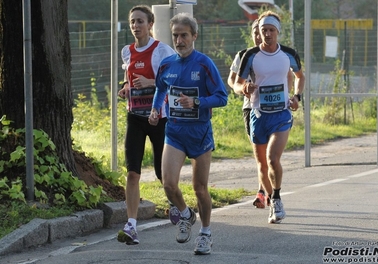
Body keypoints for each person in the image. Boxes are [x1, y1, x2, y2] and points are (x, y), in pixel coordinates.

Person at [149, 13, 228, 255]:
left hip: (200, 134)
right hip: (174, 132)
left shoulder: (204, 64)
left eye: (184, 35)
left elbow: (222, 97)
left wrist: (196, 102)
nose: (179, 40)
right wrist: (155, 109)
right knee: (169, 184)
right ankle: (185, 214)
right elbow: (161, 88)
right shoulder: (167, 64)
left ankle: (205, 233)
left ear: (194, 36)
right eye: (175, 35)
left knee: (200, 188)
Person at [233, 10, 305, 224]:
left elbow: (300, 76)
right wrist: (244, 87)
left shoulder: (288, 54)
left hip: (281, 114)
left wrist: (296, 97)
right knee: (262, 165)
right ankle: (272, 199)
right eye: (264, 30)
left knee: (273, 158)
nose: (267, 34)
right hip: (258, 114)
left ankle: (278, 197)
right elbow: (237, 84)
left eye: (271, 30)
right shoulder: (250, 55)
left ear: (278, 32)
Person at [117, 5, 176, 245]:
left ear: (150, 24)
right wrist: (126, 88)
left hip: (158, 117)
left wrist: (150, 81)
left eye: (140, 21)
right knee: (132, 173)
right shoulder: (126, 52)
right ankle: (131, 225)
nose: (135, 26)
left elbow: (174, 81)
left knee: (164, 174)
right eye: (132, 22)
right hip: (135, 117)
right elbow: (130, 79)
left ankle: (177, 206)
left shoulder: (163, 51)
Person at [227, 19, 293, 209]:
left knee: (271, 157)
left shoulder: (279, 56)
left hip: (278, 110)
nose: (261, 36)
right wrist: (243, 88)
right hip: (251, 108)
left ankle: (265, 192)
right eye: (257, 32)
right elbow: (232, 81)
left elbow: (289, 76)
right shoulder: (244, 56)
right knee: (261, 158)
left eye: (264, 31)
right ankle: (266, 189)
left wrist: (290, 98)